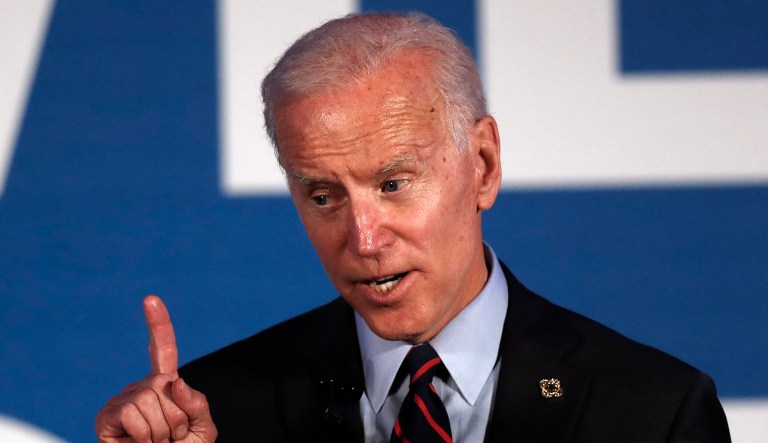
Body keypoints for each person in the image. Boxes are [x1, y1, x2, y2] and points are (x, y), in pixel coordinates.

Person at [95, 12, 731, 443]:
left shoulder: (653, 413)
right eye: (322, 196)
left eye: (393, 184)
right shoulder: (217, 414)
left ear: (481, 166)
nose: (364, 240)